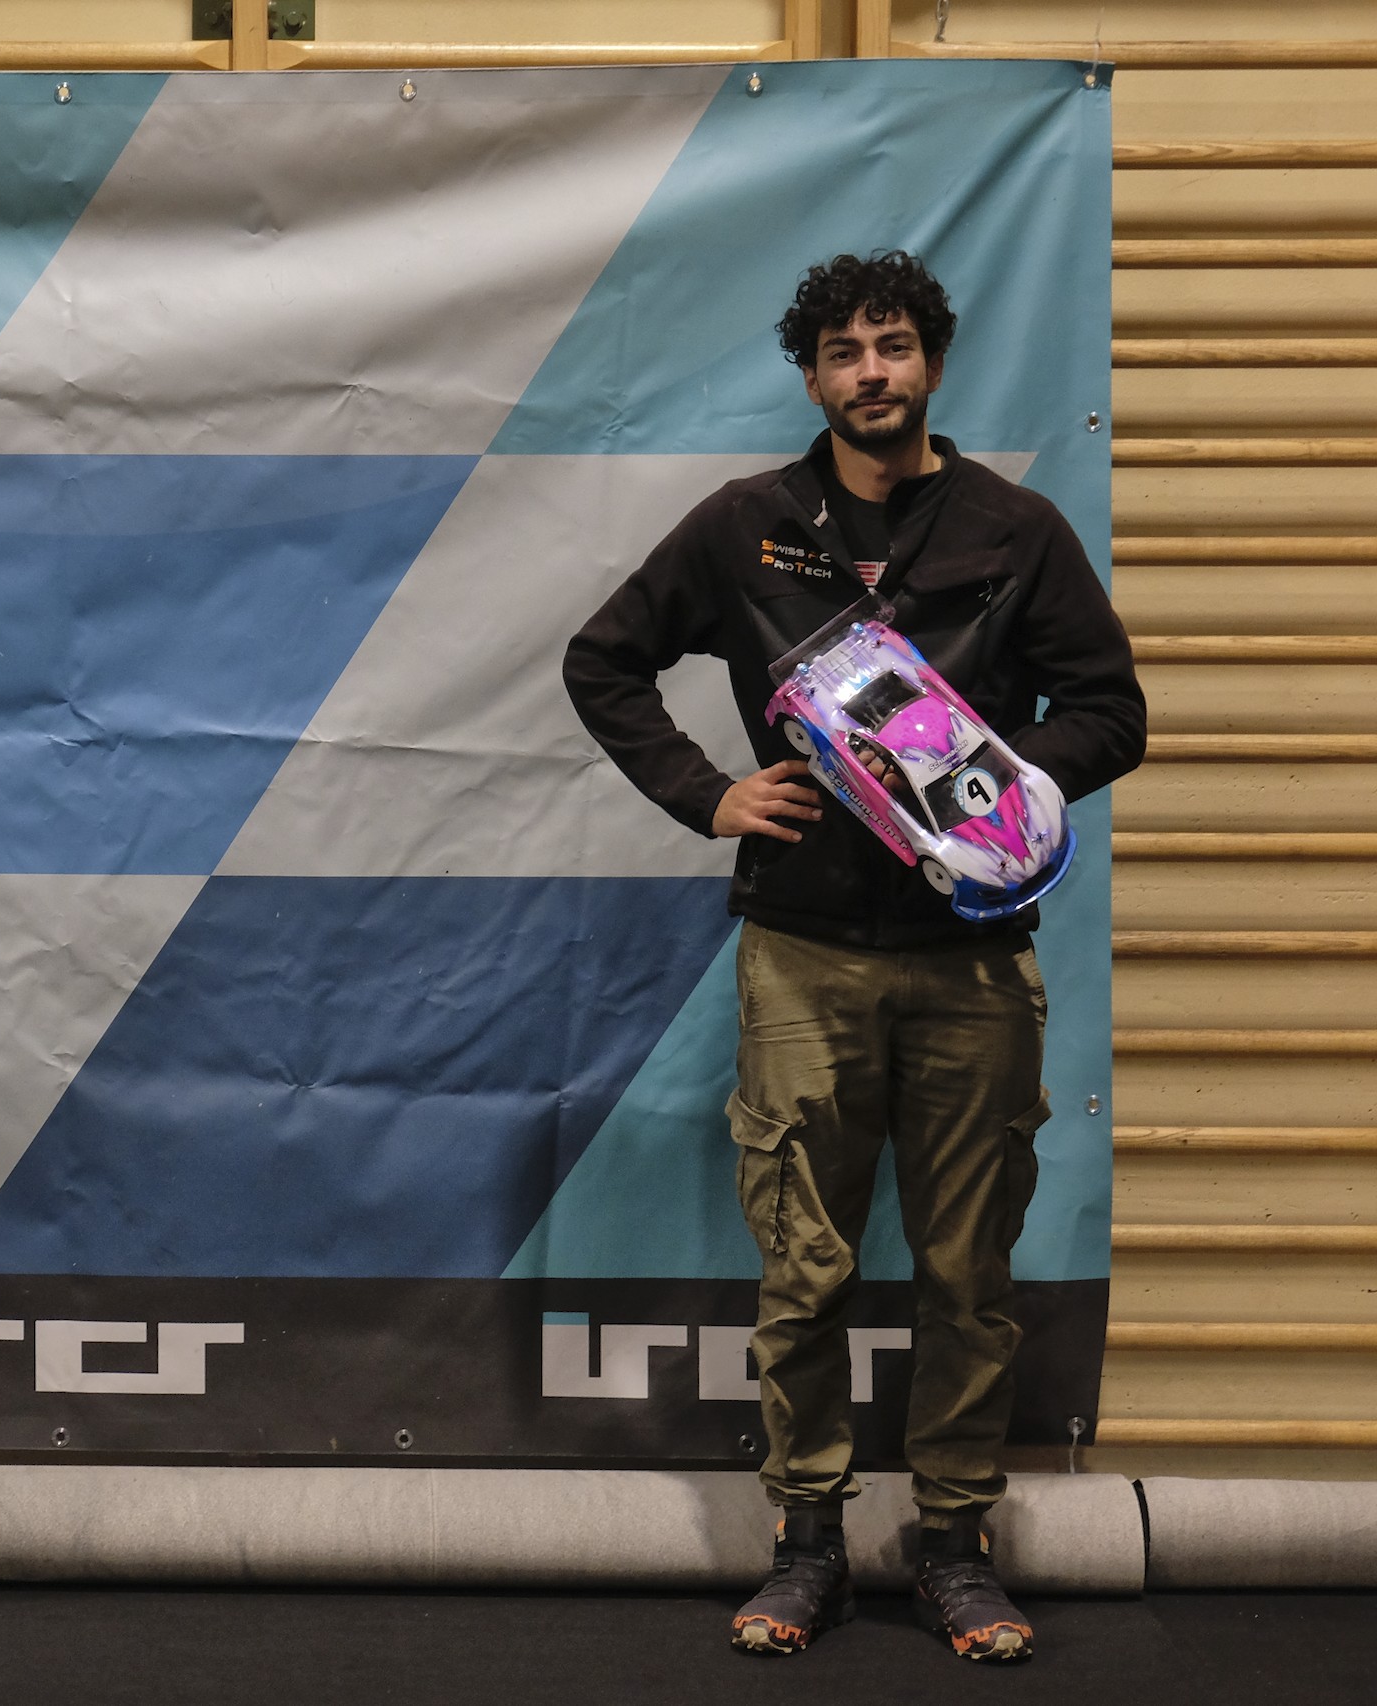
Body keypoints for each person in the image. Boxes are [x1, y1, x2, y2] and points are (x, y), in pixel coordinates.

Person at [563, 251, 1143, 1663]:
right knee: (804, 1267)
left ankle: (955, 1548)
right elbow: (603, 661)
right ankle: (806, 1543)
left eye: (892, 346)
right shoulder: (747, 527)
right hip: (802, 955)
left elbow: (1112, 710)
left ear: (932, 362)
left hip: (974, 959)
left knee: (968, 1269)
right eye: (842, 351)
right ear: (813, 376)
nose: (870, 371)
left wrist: (1005, 783)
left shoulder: (1016, 529)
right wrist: (709, 795)